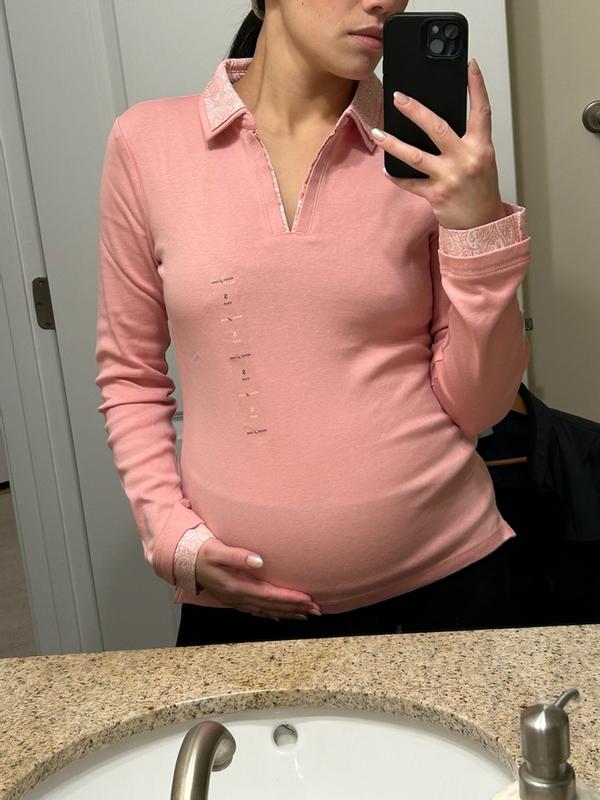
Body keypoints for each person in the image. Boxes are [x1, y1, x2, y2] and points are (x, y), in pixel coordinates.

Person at [95, 0, 531, 649]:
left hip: (450, 584)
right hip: (238, 608)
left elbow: (480, 406)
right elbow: (131, 376)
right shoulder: (147, 144)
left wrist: (478, 227)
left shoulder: (427, 153)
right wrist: (172, 539)